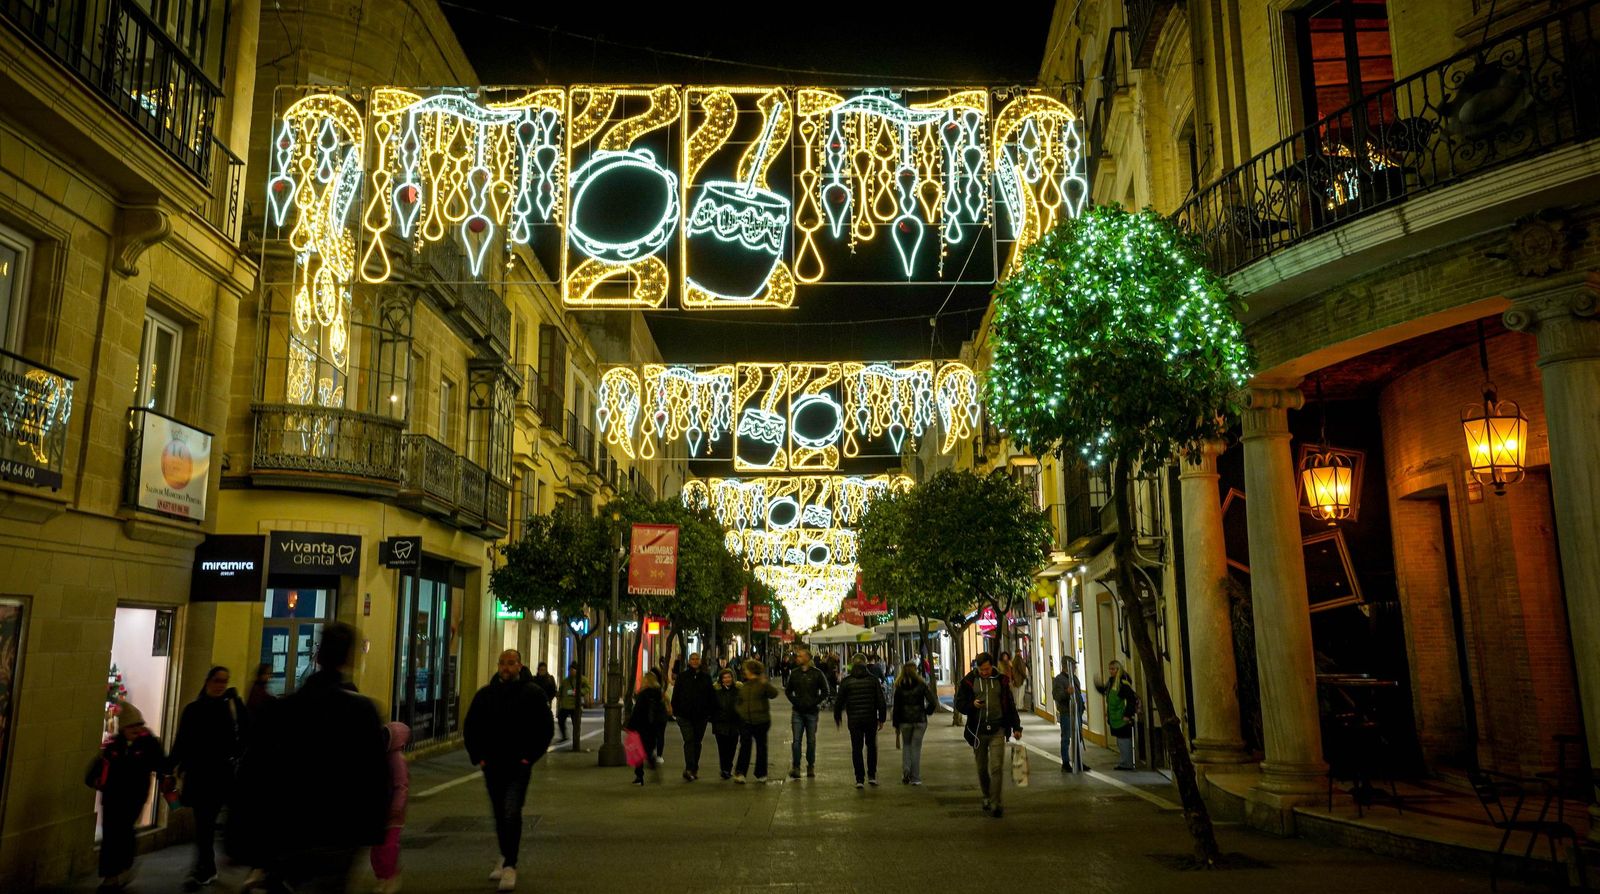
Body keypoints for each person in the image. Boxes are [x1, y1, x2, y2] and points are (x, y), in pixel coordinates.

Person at [273, 622, 390, 891]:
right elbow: (374, 775)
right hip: (340, 829)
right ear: (349, 659)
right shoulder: (361, 711)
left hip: (291, 828)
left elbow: (261, 771)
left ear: (317, 656)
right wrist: (374, 830)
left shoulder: (285, 710)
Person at [465, 649, 555, 892]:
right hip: (492, 765)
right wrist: (479, 758)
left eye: (511, 663)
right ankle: (505, 856)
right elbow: (471, 727)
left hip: (518, 766)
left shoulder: (533, 694)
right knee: (499, 813)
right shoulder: (486, 695)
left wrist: (529, 757)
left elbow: (545, 728)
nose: (506, 667)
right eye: (502, 663)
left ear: (519, 665)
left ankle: (510, 865)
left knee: (511, 812)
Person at [170, 665, 247, 891]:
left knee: (207, 822)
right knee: (204, 823)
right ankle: (206, 865)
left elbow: (245, 735)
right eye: (217, 680)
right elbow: (182, 742)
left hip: (221, 776)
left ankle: (206, 865)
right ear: (207, 681)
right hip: (200, 775)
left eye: (224, 681)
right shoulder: (193, 710)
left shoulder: (229, 708)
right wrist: (169, 766)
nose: (220, 685)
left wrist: (238, 704)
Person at [86, 703, 168, 892]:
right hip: (112, 796)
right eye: (132, 726)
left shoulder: (149, 743)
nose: (137, 729)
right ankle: (110, 876)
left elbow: (161, 764)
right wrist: (93, 780)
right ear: (123, 727)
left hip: (134, 796)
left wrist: (166, 781)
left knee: (123, 831)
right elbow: (98, 766)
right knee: (110, 836)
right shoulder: (114, 744)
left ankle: (123, 867)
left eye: (139, 725)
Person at [955, 651, 1023, 818]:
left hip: (997, 729)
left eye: (986, 669)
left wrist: (1016, 726)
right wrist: (972, 705)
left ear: (991, 666)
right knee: (981, 768)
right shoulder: (969, 681)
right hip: (978, 731)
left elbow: (1010, 705)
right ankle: (986, 795)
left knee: (997, 767)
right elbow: (959, 703)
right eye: (981, 669)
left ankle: (996, 802)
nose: (984, 672)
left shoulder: (1001, 680)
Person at [833, 655, 887, 788]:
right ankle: (872, 775)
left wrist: (837, 717)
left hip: (854, 720)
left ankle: (859, 778)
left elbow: (839, 701)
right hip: (870, 719)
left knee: (856, 748)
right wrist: (882, 719)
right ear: (865, 663)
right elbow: (881, 701)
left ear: (852, 664)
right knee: (871, 747)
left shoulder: (847, 681)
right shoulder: (873, 680)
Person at [370, 722, 410, 894]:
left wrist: (396, 808)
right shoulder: (383, 758)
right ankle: (382, 877)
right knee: (377, 849)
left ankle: (389, 876)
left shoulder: (396, 760)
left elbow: (401, 786)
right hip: (382, 810)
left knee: (387, 847)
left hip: (392, 813)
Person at [668, 652, 715, 781]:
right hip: (684, 715)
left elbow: (711, 696)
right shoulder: (683, 677)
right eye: (692, 659)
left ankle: (693, 768)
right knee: (689, 740)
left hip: (701, 716)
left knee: (697, 742)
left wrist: (710, 712)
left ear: (700, 661)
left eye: (697, 659)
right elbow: (676, 694)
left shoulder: (706, 678)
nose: (695, 661)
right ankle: (689, 768)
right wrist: (675, 711)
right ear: (689, 661)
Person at [892, 662, 939, 785]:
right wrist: (926, 712)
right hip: (919, 720)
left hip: (904, 721)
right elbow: (933, 702)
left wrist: (896, 724)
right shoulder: (922, 685)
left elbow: (896, 708)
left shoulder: (899, 686)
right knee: (916, 748)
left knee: (906, 745)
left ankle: (906, 769)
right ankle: (915, 778)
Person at [784, 647, 828, 779]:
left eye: (800, 656)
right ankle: (796, 767)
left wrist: (815, 702)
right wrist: (795, 701)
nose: (797, 658)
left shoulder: (817, 673)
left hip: (811, 712)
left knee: (811, 741)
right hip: (797, 712)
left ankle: (810, 765)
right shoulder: (795, 673)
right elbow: (788, 690)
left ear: (807, 658)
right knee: (796, 741)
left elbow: (825, 691)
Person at [733, 659, 779, 783]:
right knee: (745, 746)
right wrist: (740, 711)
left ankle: (761, 773)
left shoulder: (762, 684)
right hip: (746, 721)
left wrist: (765, 684)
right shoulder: (745, 685)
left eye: (746, 669)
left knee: (761, 747)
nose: (744, 671)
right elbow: (739, 701)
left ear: (751, 670)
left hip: (761, 720)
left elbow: (774, 694)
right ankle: (740, 772)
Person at [1095, 660, 1139, 771]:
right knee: (1121, 741)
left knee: (1124, 741)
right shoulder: (1112, 682)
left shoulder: (1123, 683)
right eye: (1110, 669)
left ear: (1118, 669)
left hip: (1122, 717)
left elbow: (1131, 700)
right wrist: (1098, 685)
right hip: (1115, 717)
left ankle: (1127, 764)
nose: (1111, 671)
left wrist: (1128, 715)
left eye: (1113, 669)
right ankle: (1124, 762)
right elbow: (1105, 692)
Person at [626, 670, 668, 785]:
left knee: (638, 751)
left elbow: (637, 711)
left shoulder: (643, 694)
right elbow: (661, 711)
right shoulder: (658, 694)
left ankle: (639, 776)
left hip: (641, 726)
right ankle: (652, 764)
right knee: (648, 749)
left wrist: (630, 726)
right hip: (653, 727)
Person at [1052, 658, 1087, 772]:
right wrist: (1067, 692)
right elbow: (1057, 695)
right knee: (1066, 737)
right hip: (1067, 712)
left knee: (1078, 737)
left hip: (1077, 711)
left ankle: (1078, 760)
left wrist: (1082, 705)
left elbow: (1078, 693)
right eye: (1073, 665)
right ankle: (1066, 762)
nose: (1075, 668)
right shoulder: (1059, 679)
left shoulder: (1075, 678)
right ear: (1067, 666)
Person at [710, 668, 741, 779]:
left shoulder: (738, 690)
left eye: (729, 677)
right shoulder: (716, 691)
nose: (727, 679)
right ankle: (724, 769)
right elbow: (712, 707)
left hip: (734, 724)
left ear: (733, 678)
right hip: (720, 725)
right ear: (721, 679)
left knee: (732, 748)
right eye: (725, 677)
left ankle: (728, 767)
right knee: (722, 749)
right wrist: (714, 718)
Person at [556, 662, 587, 744]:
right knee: (561, 719)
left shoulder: (582, 679)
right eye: (570, 670)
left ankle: (576, 738)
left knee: (576, 723)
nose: (571, 672)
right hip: (565, 705)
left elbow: (587, 688)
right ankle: (564, 736)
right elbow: (561, 690)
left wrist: (579, 691)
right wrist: (559, 696)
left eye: (573, 670)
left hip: (575, 705)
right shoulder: (566, 680)